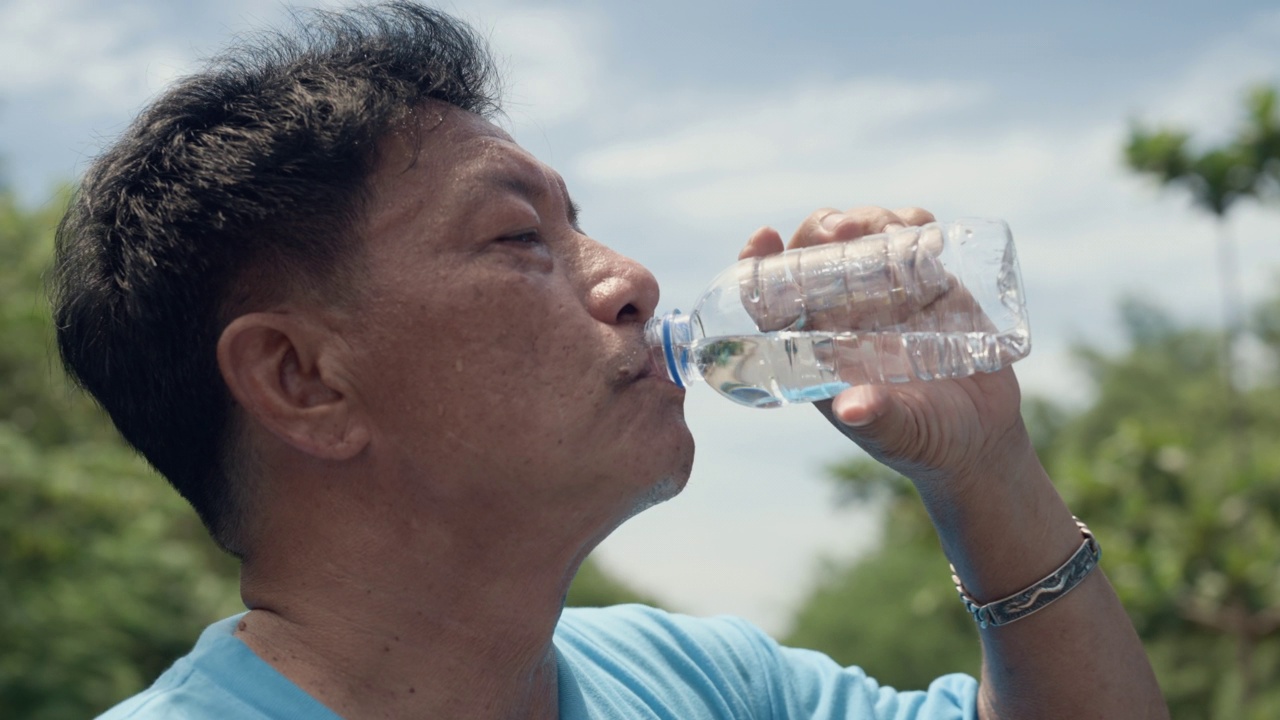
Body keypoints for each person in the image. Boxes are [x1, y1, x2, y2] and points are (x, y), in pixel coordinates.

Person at [51, 3, 1168, 718]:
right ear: (304, 380)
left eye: (578, 225)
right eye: (515, 238)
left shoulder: (699, 683)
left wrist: (988, 472)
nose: (628, 278)